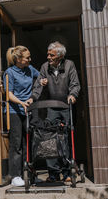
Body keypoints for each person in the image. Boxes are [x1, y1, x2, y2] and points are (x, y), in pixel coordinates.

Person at [27, 41, 80, 182]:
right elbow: (38, 85)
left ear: (60, 56)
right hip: (51, 107)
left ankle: (67, 172)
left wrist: (72, 95)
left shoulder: (69, 65)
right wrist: (33, 98)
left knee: (66, 137)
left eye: (51, 55)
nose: (48, 57)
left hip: (65, 106)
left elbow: (75, 84)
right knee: (50, 139)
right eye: (48, 54)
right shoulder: (45, 67)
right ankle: (53, 174)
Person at [3, 45, 39, 187]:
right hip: (14, 111)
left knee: (28, 142)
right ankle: (15, 176)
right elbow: (9, 94)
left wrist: (42, 81)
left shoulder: (30, 69)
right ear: (18, 59)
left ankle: (29, 174)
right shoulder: (9, 73)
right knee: (16, 144)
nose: (30, 59)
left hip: (28, 110)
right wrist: (21, 103)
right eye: (27, 57)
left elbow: (40, 75)